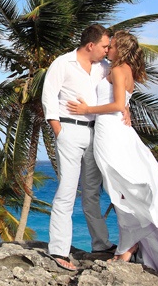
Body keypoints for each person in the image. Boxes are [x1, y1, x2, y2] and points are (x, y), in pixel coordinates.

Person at [68, 30, 158, 284]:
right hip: (115, 130)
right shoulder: (123, 69)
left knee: (120, 190)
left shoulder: (119, 70)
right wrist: (125, 107)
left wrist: (87, 109)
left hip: (110, 132)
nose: (108, 49)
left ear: (121, 49)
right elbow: (123, 103)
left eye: (112, 45)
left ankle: (127, 248)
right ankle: (129, 245)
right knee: (121, 190)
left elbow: (118, 104)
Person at [41, 24, 117, 271]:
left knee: (92, 193)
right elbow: (48, 96)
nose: (107, 50)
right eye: (104, 46)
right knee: (67, 190)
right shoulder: (63, 63)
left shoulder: (103, 67)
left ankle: (101, 245)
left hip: (97, 132)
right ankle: (59, 250)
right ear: (90, 45)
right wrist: (59, 130)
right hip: (69, 130)